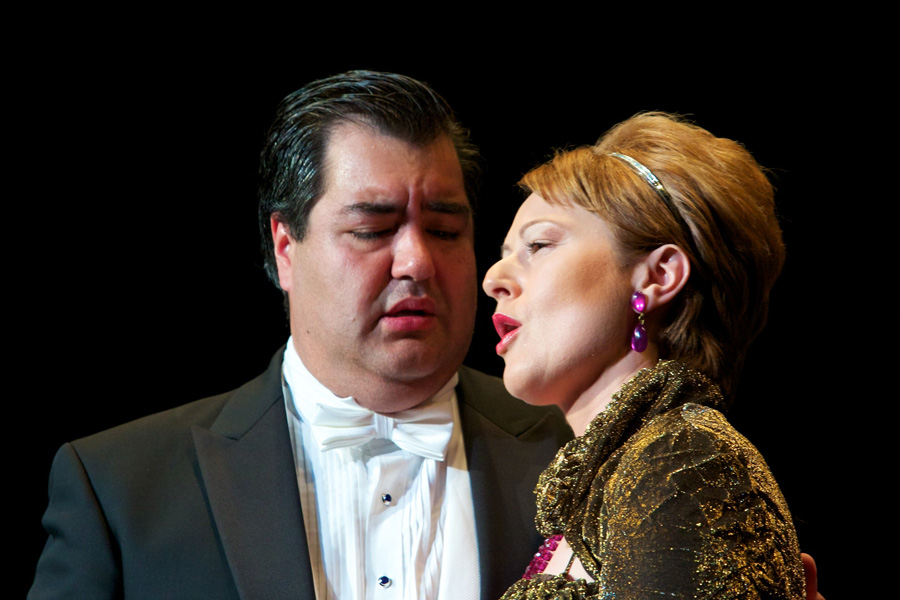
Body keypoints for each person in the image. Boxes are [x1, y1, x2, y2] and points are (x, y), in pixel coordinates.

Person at [28, 71, 572, 600]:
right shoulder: (119, 486)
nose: (416, 261)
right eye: (372, 231)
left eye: (444, 231)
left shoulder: (575, 449)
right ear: (286, 248)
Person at [483, 113, 811, 599]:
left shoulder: (683, 463)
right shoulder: (622, 473)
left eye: (539, 244)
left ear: (658, 275)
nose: (493, 279)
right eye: (506, 252)